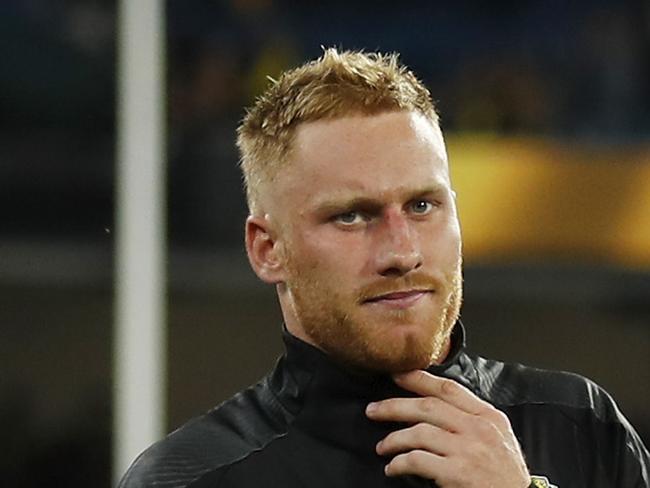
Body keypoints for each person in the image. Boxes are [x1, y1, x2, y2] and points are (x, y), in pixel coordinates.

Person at [119, 49, 649, 488]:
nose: (402, 252)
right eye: (351, 216)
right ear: (266, 249)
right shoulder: (188, 479)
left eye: (422, 206)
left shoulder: (582, 426)